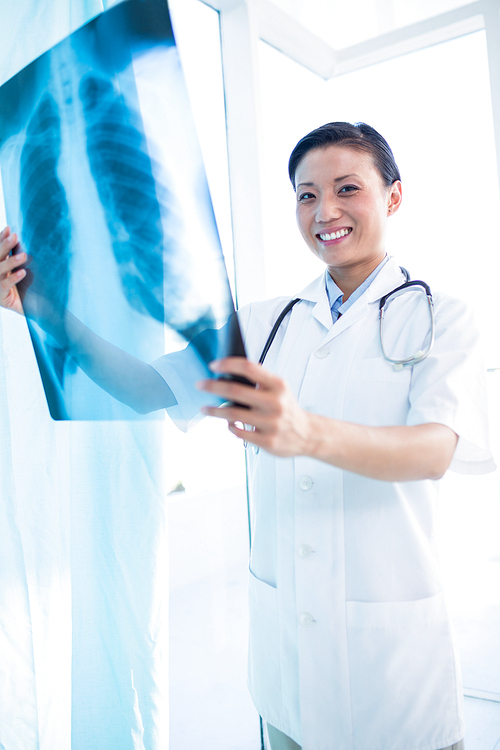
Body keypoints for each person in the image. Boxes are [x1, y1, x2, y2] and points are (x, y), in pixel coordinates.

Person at [0, 122, 494, 750]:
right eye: (306, 195)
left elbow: (434, 450)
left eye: (348, 188)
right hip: (286, 673)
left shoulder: (441, 316)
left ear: (394, 196)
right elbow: (144, 386)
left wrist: (306, 432)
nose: (325, 211)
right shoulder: (262, 325)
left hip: (393, 676)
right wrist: (39, 306)